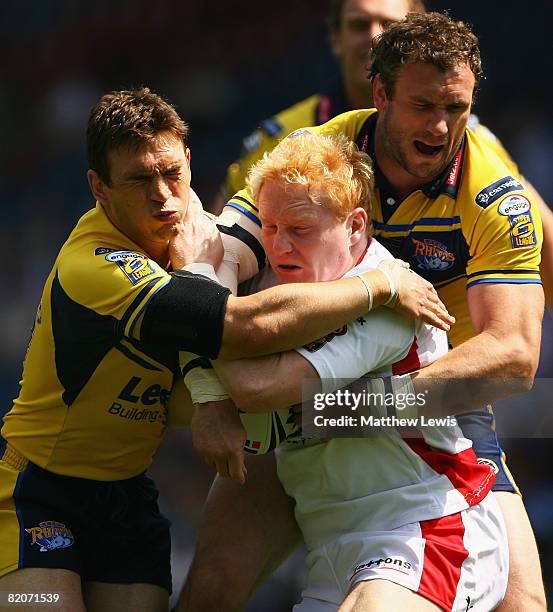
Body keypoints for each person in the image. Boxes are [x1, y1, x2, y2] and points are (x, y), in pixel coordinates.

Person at [0, 87, 450, 612]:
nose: (163, 196)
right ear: (99, 187)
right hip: (41, 492)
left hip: (126, 499)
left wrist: (211, 396)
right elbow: (236, 328)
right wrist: (381, 285)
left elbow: (210, 332)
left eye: (171, 173)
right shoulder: (96, 265)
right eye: (139, 180)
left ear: (189, 161)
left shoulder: (199, 236)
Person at [180, 12, 546, 612]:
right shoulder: (314, 155)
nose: (442, 126)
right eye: (423, 106)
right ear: (381, 95)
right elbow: (210, 261)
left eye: (456, 108)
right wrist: (208, 394)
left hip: (425, 402)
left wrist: (348, 410)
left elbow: (514, 357)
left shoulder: (492, 192)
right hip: (298, 393)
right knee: (213, 586)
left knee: (522, 602)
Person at [213, 130, 510, 610]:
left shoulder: (392, 302)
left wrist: (209, 319)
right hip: (331, 545)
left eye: (300, 229)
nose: (280, 245)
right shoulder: (272, 281)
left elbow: (257, 388)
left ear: (355, 227)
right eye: (268, 227)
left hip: (426, 528)